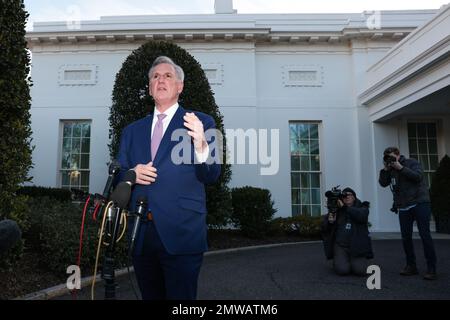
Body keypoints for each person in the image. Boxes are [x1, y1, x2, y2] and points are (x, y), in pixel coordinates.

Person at [117, 56, 221, 299]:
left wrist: (201, 143)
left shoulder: (202, 122)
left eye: (167, 76)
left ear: (179, 86)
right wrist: (132, 174)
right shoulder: (131, 131)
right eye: (155, 76)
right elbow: (119, 173)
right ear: (149, 88)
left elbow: (212, 174)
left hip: (182, 232)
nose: (160, 80)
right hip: (142, 234)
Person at [379, 146, 437, 280]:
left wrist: (400, 168)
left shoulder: (412, 162)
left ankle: (431, 268)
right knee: (406, 238)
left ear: (398, 154)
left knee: (424, 235)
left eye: (392, 156)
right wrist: (385, 170)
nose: (390, 159)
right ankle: (411, 266)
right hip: (404, 206)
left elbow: (418, 177)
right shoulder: (390, 169)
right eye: (387, 157)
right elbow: (383, 183)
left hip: (420, 203)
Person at [321, 187, 373, 276]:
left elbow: (361, 216)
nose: (347, 197)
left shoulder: (362, 207)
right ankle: (339, 260)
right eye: (344, 196)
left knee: (360, 271)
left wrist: (345, 207)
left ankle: (350, 261)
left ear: (354, 197)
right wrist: (330, 222)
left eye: (349, 195)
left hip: (357, 246)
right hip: (341, 246)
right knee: (342, 270)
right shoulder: (337, 210)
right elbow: (325, 228)